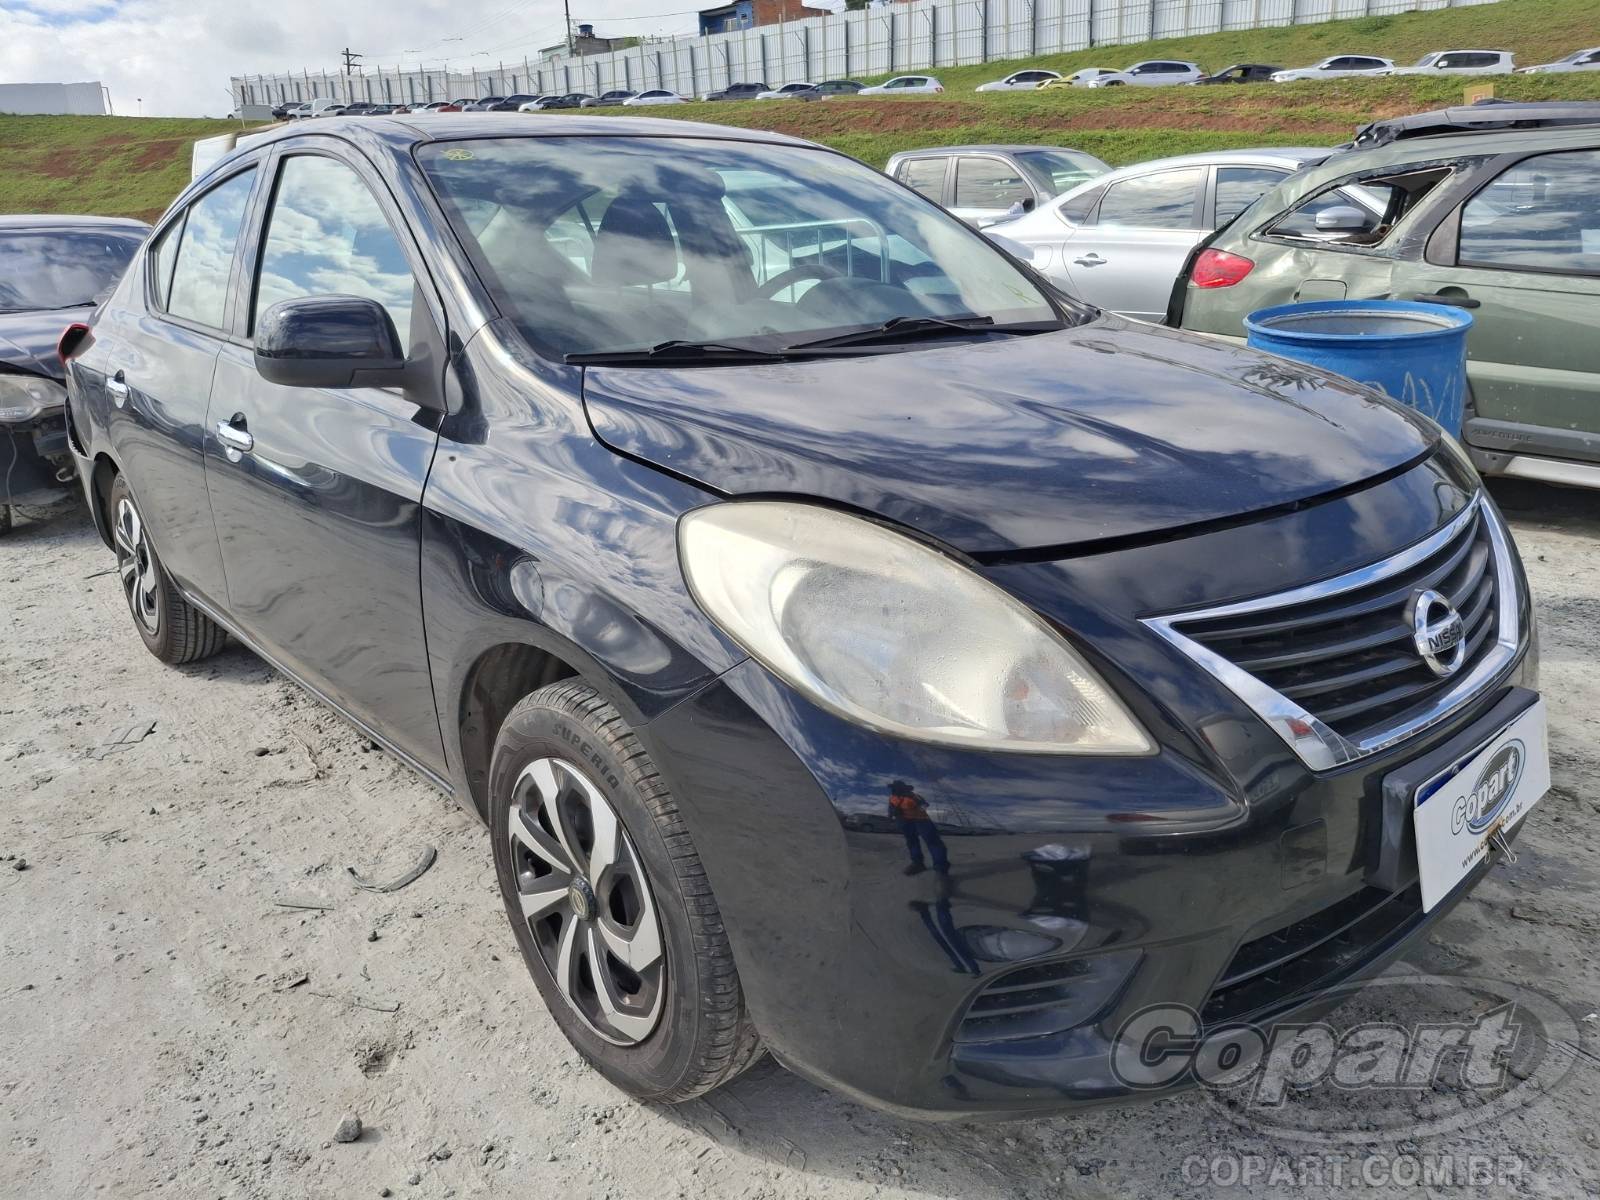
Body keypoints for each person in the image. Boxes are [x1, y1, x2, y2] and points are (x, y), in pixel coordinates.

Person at [888, 780, 949, 875]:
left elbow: (925, 805)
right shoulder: (892, 798)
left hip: (921, 821)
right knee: (911, 842)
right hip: (904, 822)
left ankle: (941, 870)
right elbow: (891, 808)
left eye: (896, 787)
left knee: (934, 843)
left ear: (903, 788)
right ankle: (918, 864)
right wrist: (892, 815)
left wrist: (915, 809)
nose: (894, 789)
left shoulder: (913, 796)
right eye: (893, 787)